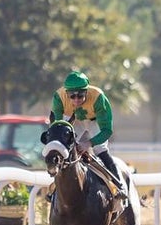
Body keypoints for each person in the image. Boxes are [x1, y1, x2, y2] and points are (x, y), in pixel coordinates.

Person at [51, 70, 125, 198]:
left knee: (100, 150)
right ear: (66, 93)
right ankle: (55, 189)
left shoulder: (98, 97)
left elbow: (107, 130)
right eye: (72, 96)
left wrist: (89, 143)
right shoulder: (59, 97)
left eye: (80, 95)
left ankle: (119, 186)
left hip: (94, 121)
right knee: (63, 149)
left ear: (87, 91)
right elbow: (58, 126)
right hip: (73, 120)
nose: (76, 100)